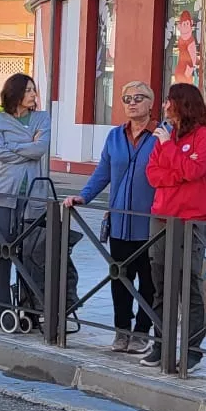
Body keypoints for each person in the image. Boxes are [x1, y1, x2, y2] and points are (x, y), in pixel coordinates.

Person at [68, 81, 160, 355]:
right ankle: (121, 330)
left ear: (151, 103)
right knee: (120, 278)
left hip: (151, 223)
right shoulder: (115, 136)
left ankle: (141, 332)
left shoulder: (161, 135)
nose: (132, 103)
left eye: (138, 98)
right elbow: (103, 171)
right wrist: (84, 196)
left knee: (149, 282)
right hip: (120, 222)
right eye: (126, 98)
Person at [145, 82, 206, 370]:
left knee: (190, 286)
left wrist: (170, 152)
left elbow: (196, 170)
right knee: (161, 285)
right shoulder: (166, 134)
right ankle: (161, 344)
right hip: (162, 217)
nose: (164, 106)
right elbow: (153, 174)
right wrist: (179, 169)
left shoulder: (203, 136)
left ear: (183, 104)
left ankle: (191, 350)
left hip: (191, 220)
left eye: (169, 101)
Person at [0, 74, 53, 326]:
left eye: (34, 89)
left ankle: (30, 308)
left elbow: (40, 149)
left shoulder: (42, 118)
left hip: (34, 195)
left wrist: (13, 146)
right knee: (0, 252)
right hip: (3, 193)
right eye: (28, 90)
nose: (34, 94)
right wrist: (27, 144)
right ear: (15, 93)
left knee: (31, 254)